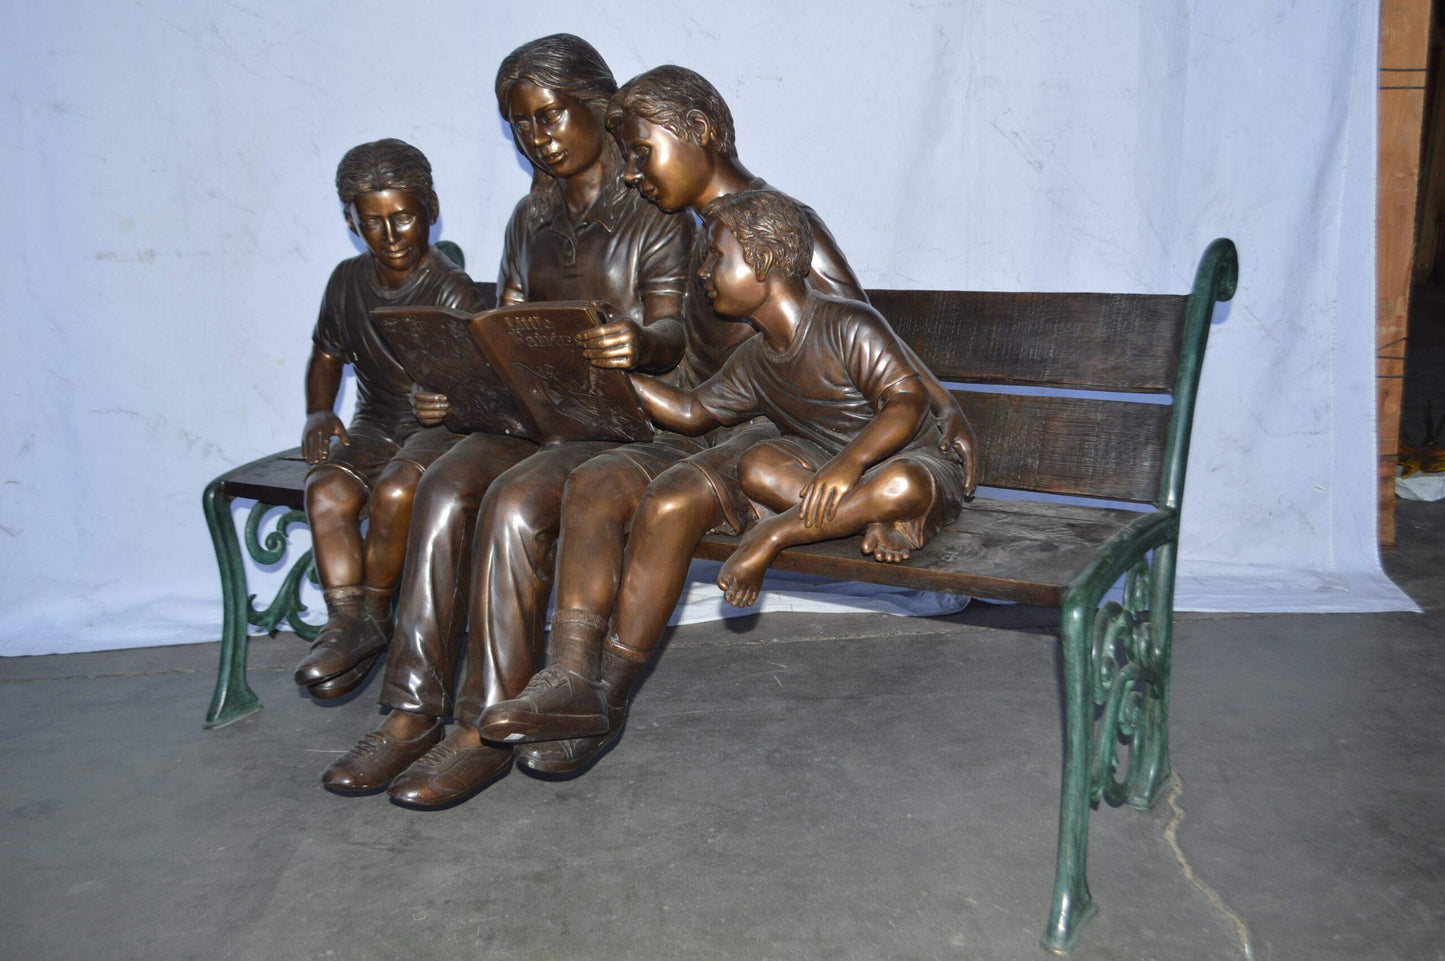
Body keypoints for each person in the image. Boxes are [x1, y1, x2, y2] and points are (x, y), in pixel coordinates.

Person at [476, 67, 977, 778]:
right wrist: (627, 356)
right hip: (709, 421)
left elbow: (861, 322)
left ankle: (606, 697)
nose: (634, 174)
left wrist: (943, 405)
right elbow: (686, 366)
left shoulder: (770, 221)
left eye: (641, 154)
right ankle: (567, 680)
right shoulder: (688, 229)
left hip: (767, 434)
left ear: (700, 135)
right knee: (594, 483)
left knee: (674, 499)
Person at [320, 35, 694, 800]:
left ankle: (481, 723)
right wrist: (457, 381)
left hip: (628, 429)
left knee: (516, 502)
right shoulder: (531, 218)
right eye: (520, 124)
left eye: (550, 115)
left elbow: (678, 334)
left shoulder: (653, 212)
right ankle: (410, 710)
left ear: (600, 106)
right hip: (535, 418)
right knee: (445, 478)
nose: (538, 136)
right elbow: (507, 326)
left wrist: (641, 342)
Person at [642, 189, 971, 609]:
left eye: (715, 257)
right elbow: (691, 411)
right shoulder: (752, 359)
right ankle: (869, 515)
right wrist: (620, 380)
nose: (704, 272)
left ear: (761, 259)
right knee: (757, 465)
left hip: (911, 460)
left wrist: (850, 463)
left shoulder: (848, 324)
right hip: (825, 464)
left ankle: (775, 533)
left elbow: (907, 401)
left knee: (902, 482)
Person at [293, 139, 486, 700]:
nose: (392, 234)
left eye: (403, 218)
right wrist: (319, 410)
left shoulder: (451, 291)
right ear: (352, 223)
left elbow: (485, 383)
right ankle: (345, 618)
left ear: (430, 209)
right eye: (372, 222)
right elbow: (326, 355)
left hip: (439, 433)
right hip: (376, 423)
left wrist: (452, 401)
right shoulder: (346, 282)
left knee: (400, 491)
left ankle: (374, 615)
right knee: (326, 490)